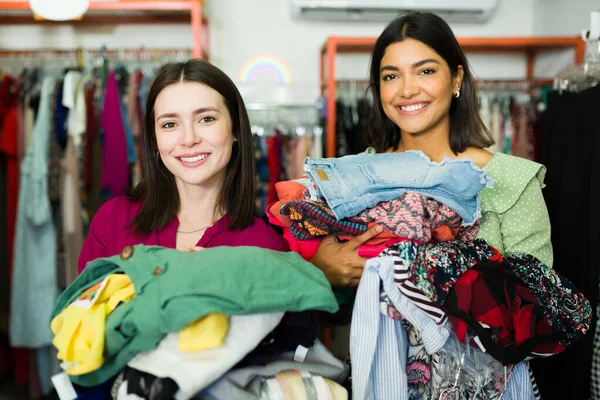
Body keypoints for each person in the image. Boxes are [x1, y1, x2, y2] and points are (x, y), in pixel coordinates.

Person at [311, 11, 552, 285]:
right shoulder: (352, 172)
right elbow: (332, 308)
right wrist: (320, 274)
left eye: (425, 71)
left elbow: (540, 304)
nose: (407, 90)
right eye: (391, 76)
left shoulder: (512, 180)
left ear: (456, 78)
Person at [78, 59, 288, 272]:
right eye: (170, 124)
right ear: (155, 139)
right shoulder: (112, 221)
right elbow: (81, 304)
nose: (189, 139)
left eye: (206, 119)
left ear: (235, 129)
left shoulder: (268, 247)